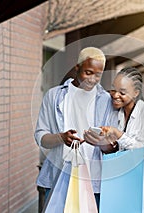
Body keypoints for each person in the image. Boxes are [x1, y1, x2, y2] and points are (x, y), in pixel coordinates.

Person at [34, 47, 112, 209]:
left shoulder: (107, 101)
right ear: (77, 67)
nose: (92, 79)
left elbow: (113, 146)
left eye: (98, 75)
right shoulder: (54, 96)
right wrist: (61, 138)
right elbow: (41, 137)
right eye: (88, 72)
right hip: (59, 176)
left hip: (94, 180)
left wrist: (101, 141)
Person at [84, 66, 144, 157]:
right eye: (113, 90)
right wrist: (99, 142)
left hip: (143, 170)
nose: (115, 95)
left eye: (122, 93)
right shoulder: (115, 113)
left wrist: (117, 133)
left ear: (136, 93)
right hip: (122, 169)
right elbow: (114, 150)